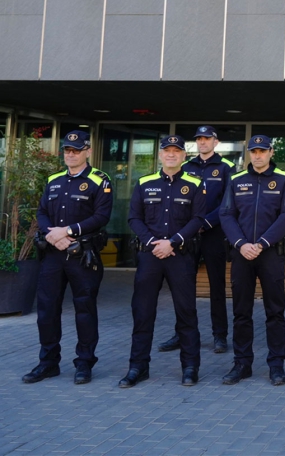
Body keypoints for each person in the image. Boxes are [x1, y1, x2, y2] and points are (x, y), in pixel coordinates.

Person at [23, 130, 113, 385]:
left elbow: (101, 216)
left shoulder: (100, 180)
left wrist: (69, 231)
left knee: (84, 309)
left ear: (87, 151)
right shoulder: (54, 180)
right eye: (67, 150)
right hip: (53, 253)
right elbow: (41, 212)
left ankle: (84, 363)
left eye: (75, 150)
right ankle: (48, 363)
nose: (70, 154)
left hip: (82, 254)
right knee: (46, 310)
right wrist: (53, 235)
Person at [120, 135, 206, 388]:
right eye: (167, 151)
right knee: (143, 312)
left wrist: (173, 242)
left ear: (183, 156)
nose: (171, 155)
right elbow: (134, 218)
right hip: (150, 256)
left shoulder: (195, 184)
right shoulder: (144, 183)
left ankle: (190, 367)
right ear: (160, 155)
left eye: (176, 151)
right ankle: (138, 367)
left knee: (186, 312)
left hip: (180, 256)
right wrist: (153, 243)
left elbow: (198, 218)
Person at [218, 135, 285, 386]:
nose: (258, 155)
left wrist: (262, 243)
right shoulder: (235, 180)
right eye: (254, 151)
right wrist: (241, 244)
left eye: (263, 151)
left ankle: (276, 365)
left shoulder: (284, 180)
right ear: (249, 153)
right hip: (242, 254)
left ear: (271, 152)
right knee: (241, 311)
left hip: (271, 254)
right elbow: (226, 213)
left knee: (275, 311)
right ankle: (242, 363)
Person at [159, 125, 236, 355]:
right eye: (199, 139)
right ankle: (181, 333)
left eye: (207, 138)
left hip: (213, 233)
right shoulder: (186, 166)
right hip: (186, 234)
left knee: (216, 286)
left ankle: (219, 335)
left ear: (216, 141)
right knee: (183, 285)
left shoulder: (226, 167)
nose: (202, 142)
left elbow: (228, 202)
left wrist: (205, 223)